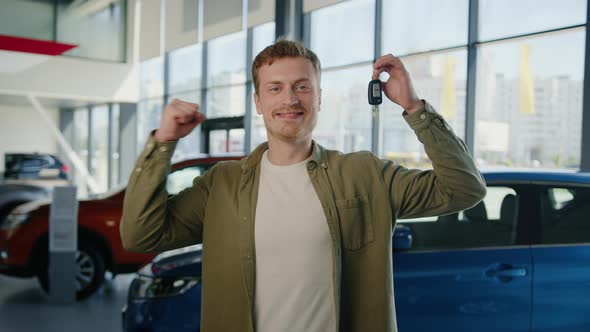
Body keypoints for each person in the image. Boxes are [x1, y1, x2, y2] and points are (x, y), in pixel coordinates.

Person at [120, 39, 486, 332]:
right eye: (275, 88)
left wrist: (414, 107)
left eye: (302, 87)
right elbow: (141, 236)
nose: (290, 99)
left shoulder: (365, 174)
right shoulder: (222, 185)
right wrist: (162, 143)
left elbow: (464, 189)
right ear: (258, 102)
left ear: (319, 97)